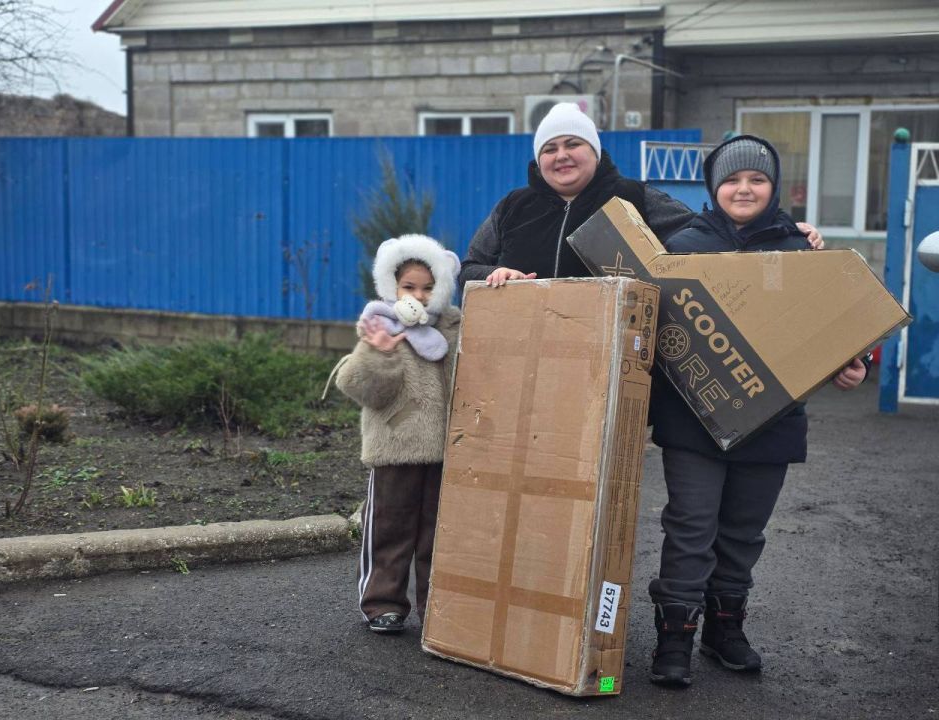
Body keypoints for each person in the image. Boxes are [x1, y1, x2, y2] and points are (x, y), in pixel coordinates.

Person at [646, 135, 871, 687]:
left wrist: (854, 362)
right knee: (691, 527)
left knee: (744, 532)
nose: (743, 189)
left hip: (773, 420)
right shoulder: (681, 245)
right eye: (732, 179)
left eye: (757, 180)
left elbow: (835, 320)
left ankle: (725, 631)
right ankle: (674, 638)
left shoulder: (801, 248)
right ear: (712, 186)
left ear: (773, 188)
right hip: (693, 421)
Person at [458, 102, 822, 291]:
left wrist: (783, 229)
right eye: (549, 148)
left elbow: (713, 236)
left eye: (573, 143)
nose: (562, 155)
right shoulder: (513, 206)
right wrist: (495, 273)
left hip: (608, 356)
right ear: (539, 159)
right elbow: (468, 269)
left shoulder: (633, 197)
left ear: (595, 151)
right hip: (521, 350)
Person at [334, 234, 461, 634]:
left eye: (428, 287)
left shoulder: (454, 327)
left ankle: (434, 605)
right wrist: (381, 353)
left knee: (438, 533)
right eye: (409, 287)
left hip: (447, 450)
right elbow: (361, 388)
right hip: (395, 445)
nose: (419, 296)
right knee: (389, 527)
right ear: (393, 286)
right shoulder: (379, 326)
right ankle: (383, 602)